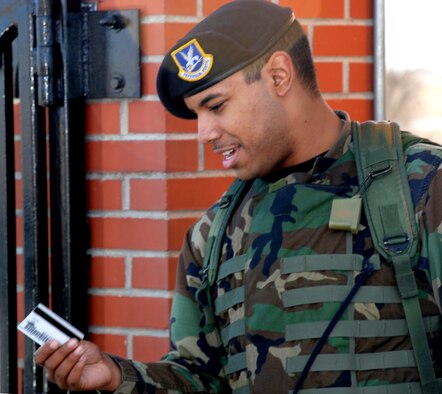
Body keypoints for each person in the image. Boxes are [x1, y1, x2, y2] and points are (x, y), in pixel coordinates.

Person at [35, 0, 442, 392]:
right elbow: (204, 379)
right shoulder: (212, 235)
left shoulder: (419, 186)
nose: (204, 133)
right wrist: (115, 377)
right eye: (197, 114)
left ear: (279, 76)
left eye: (216, 106)